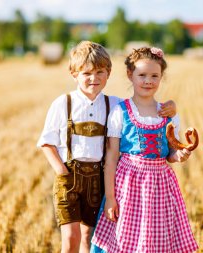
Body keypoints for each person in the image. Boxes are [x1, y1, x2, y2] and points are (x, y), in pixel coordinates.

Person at [37, 41, 177, 253]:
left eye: (100, 72)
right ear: (73, 73)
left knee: (88, 235)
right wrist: (62, 171)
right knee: (70, 236)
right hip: (69, 178)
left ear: (108, 73)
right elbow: (46, 142)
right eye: (87, 73)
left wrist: (171, 107)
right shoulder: (62, 103)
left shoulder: (114, 105)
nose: (94, 78)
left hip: (97, 178)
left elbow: (142, 104)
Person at [91, 47, 199, 253]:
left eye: (154, 76)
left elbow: (171, 153)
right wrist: (111, 198)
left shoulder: (168, 113)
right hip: (128, 186)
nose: (148, 81)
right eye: (142, 75)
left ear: (161, 77)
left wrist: (180, 155)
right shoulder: (120, 111)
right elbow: (112, 158)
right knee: (125, 239)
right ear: (130, 75)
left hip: (160, 185)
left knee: (158, 238)